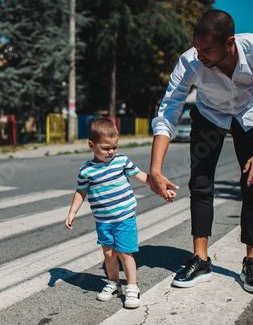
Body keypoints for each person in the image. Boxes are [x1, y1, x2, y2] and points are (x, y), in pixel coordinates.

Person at [149, 9, 253, 293]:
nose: (199, 55)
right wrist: (155, 169)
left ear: (229, 42)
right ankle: (201, 260)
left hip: (251, 112)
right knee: (200, 183)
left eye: (207, 49)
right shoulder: (190, 61)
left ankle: (252, 261)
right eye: (197, 47)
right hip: (209, 114)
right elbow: (168, 111)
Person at [65, 118, 177, 308]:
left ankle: (132, 287)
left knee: (126, 253)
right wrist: (72, 212)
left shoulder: (121, 161)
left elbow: (142, 177)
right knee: (109, 254)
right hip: (103, 222)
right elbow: (80, 192)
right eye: (106, 148)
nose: (111, 152)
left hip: (124, 218)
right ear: (91, 145)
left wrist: (162, 189)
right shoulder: (86, 171)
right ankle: (114, 284)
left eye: (114, 147)